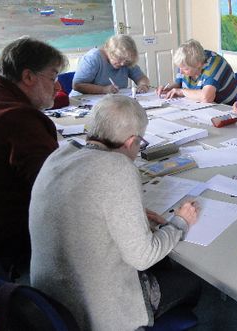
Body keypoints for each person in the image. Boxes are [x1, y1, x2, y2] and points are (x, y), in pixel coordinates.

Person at [30, 95, 201, 330]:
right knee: (191, 283)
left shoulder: (60, 154)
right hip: (93, 311)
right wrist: (180, 222)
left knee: (165, 265)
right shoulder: (119, 167)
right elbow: (143, 257)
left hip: (49, 298)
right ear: (131, 142)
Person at [0, 37, 67, 268]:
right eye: (54, 77)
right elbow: (58, 191)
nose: (58, 87)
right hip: (9, 233)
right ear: (28, 77)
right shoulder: (13, 116)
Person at [156, 39, 237, 105]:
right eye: (179, 68)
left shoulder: (215, 63)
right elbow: (178, 84)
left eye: (185, 69)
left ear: (198, 64)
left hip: (228, 109)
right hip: (198, 107)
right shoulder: (185, 62)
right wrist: (168, 89)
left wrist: (181, 91)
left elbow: (206, 98)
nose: (181, 72)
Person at [72, 34, 150, 95]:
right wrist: (103, 90)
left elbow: (141, 77)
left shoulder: (125, 59)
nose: (122, 63)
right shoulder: (93, 58)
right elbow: (77, 85)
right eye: (119, 58)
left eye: (125, 60)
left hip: (112, 101)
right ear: (109, 51)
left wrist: (143, 85)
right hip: (83, 103)